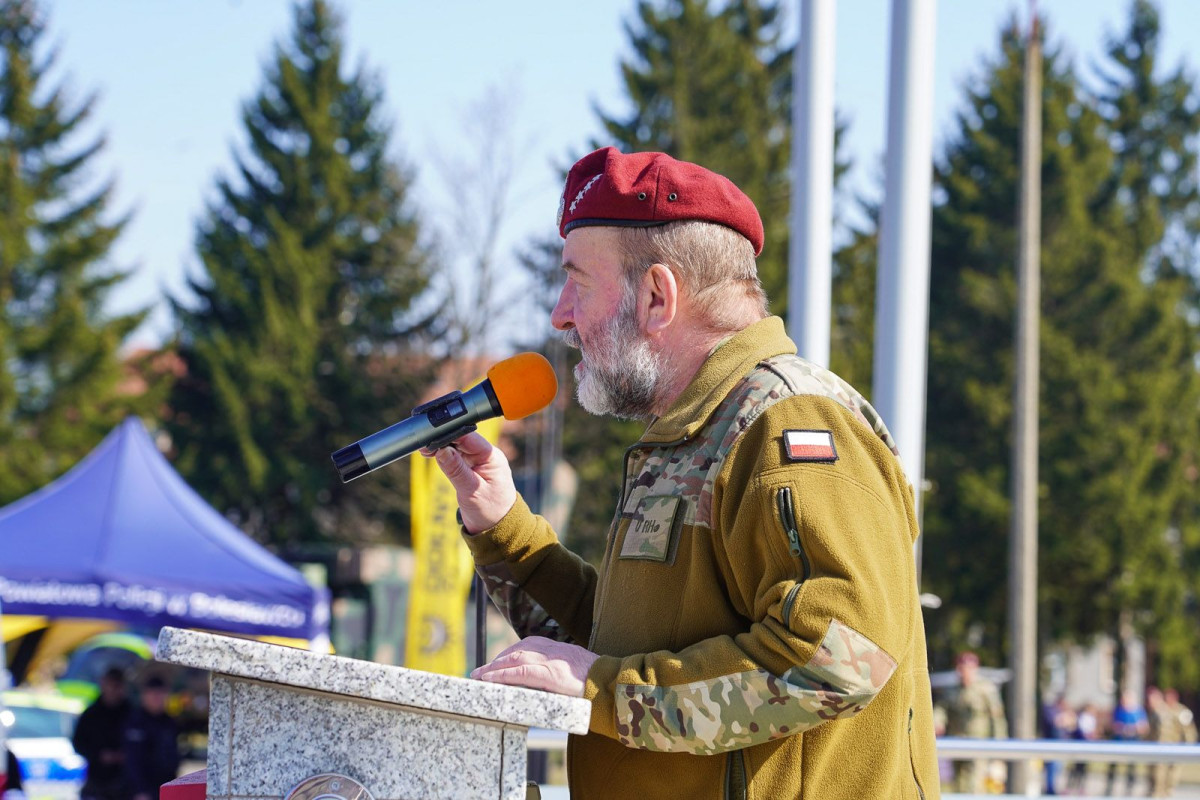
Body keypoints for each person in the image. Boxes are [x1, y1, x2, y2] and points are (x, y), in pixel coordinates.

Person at [426, 146, 940, 798]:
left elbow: (835, 664)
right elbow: (613, 649)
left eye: (578, 282)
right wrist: (505, 531)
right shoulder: (692, 436)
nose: (559, 315)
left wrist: (604, 692)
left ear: (656, 296)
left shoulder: (789, 428)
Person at [944, 651, 1007, 794]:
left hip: (978, 743)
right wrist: (938, 721)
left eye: (968, 668)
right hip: (957, 741)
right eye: (961, 668)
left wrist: (1000, 744)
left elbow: (997, 718)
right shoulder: (952, 691)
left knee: (975, 785)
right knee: (958, 784)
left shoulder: (985, 689)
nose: (964, 672)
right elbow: (942, 709)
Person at [72, 668, 132, 800]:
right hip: (96, 781)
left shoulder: (131, 713)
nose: (113, 689)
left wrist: (125, 755)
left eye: (117, 685)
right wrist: (99, 755)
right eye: (110, 684)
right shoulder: (91, 714)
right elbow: (78, 743)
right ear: (103, 684)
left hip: (125, 783)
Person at [122, 675, 180, 800]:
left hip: (166, 787)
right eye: (153, 694)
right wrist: (140, 791)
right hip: (141, 791)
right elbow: (133, 760)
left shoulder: (169, 723)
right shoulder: (136, 722)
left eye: (160, 694)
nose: (157, 698)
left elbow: (172, 756)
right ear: (144, 696)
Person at [1106, 688, 1149, 797]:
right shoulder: (1118, 710)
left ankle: (1129, 790)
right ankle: (1109, 789)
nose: (1125, 700)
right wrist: (1121, 728)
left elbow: (1144, 727)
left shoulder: (1139, 711)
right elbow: (1112, 725)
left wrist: (1134, 729)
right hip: (1118, 743)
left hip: (1133, 744)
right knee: (1113, 767)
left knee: (1131, 769)